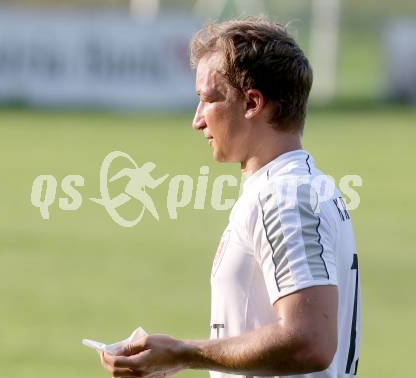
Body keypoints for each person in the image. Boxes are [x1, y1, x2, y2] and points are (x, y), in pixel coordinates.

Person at [100, 17, 361, 378]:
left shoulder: (284, 198)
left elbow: (310, 341)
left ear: (252, 103)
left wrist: (181, 353)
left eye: (208, 99)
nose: (197, 121)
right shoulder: (300, 186)